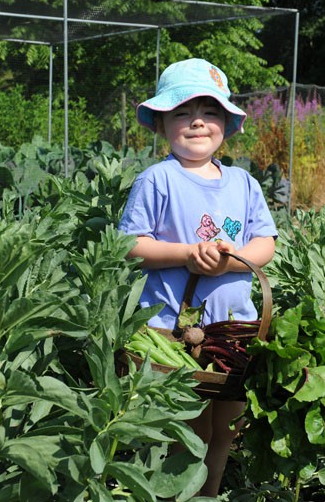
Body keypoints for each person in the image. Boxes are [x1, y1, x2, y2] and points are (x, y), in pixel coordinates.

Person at [118, 57, 277, 496]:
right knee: (187, 434)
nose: (197, 122)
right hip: (172, 332)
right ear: (162, 124)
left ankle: (209, 494)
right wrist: (187, 254)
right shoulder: (158, 180)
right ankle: (178, 493)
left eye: (209, 113)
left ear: (226, 123)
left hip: (235, 330)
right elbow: (131, 245)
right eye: (183, 113)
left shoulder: (243, 183)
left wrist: (233, 261)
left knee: (225, 429)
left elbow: (266, 242)